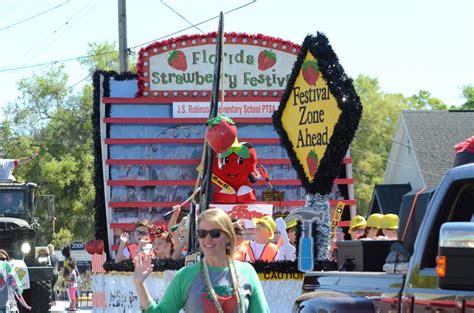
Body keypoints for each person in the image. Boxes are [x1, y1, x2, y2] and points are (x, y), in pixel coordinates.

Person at [133, 208, 270, 312]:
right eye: (202, 233)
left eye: (215, 233)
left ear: (228, 236)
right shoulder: (185, 275)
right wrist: (139, 284)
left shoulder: (246, 272)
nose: (208, 239)